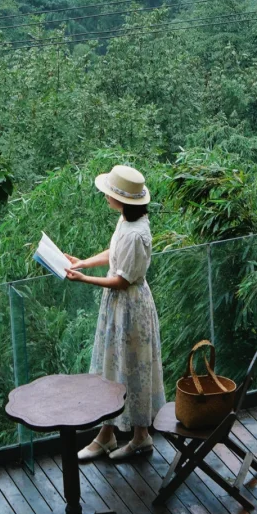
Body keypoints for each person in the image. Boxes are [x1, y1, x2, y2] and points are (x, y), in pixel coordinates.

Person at [66, 164, 165, 461]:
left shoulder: (136, 233)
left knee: (131, 368)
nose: (106, 197)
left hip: (130, 308)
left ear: (121, 199)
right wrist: (83, 263)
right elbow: (114, 254)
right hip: (119, 306)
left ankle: (140, 436)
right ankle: (107, 435)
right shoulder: (128, 220)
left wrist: (84, 279)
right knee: (112, 365)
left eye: (109, 193)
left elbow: (122, 280)